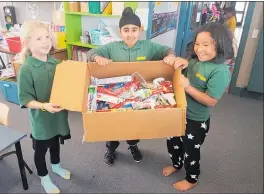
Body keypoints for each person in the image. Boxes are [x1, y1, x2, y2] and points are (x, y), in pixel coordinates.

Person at [87, 7, 182, 166]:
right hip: (117, 92)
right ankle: (111, 148)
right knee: (113, 122)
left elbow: (166, 50)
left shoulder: (148, 46)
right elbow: (91, 52)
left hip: (139, 93)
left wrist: (170, 55)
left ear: (140, 30)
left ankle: (133, 145)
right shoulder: (112, 47)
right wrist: (97, 57)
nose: (130, 34)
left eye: (134, 30)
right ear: (120, 31)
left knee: (134, 123)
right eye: (126, 30)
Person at [162, 22, 234, 191]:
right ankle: (176, 164)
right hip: (179, 112)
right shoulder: (195, 59)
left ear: (220, 46)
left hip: (196, 120)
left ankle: (191, 178)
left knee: (191, 150)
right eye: (197, 43)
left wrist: (187, 87)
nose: (199, 49)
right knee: (173, 142)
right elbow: (184, 67)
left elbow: (211, 101)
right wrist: (180, 62)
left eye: (206, 45)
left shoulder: (220, 71)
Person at [17, 20, 71, 194]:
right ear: (27, 43)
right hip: (41, 119)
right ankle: (44, 177)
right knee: (40, 150)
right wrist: (43, 106)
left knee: (56, 144)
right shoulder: (26, 69)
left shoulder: (57, 64)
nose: (46, 42)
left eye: (47, 37)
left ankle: (56, 166)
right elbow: (25, 99)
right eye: (39, 38)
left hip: (58, 116)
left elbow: (67, 86)